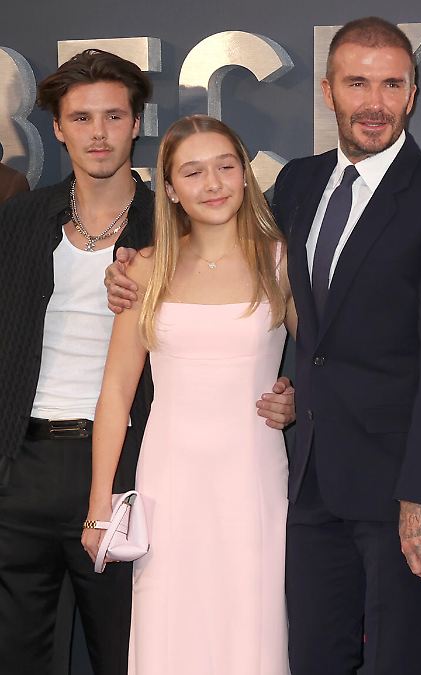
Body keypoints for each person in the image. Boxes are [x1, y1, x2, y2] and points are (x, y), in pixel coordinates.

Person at [104, 17, 421, 674]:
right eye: (357, 83)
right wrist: (133, 260)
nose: (375, 102)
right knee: (309, 658)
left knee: (399, 661)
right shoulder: (300, 185)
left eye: (391, 84)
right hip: (306, 484)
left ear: (413, 92)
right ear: (328, 91)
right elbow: (222, 244)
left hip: (396, 488)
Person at [0, 52, 292, 675]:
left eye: (113, 116)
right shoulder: (21, 220)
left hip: (137, 469)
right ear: (57, 128)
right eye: (82, 117)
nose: (98, 133)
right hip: (25, 466)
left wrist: (293, 391)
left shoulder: (157, 236)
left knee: (139, 645)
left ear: (137, 124)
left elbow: (314, 346)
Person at [83, 114, 297, 673]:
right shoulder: (144, 269)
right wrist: (99, 505)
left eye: (225, 167)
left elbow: (329, 364)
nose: (213, 184)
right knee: (169, 629)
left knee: (248, 626)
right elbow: (115, 392)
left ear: (245, 175)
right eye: (194, 172)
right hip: (169, 480)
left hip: (251, 477)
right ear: (171, 189)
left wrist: (298, 398)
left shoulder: (281, 262)